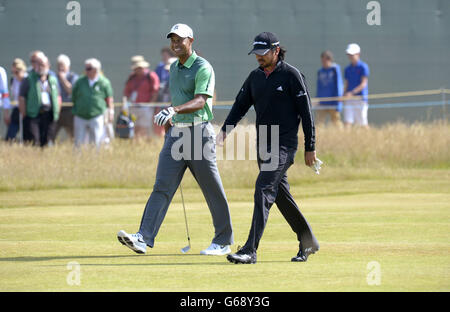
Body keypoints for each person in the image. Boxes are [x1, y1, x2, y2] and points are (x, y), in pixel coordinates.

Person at [117, 23, 234, 256]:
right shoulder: (174, 68)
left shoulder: (203, 67)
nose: (175, 44)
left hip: (198, 133)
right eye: (172, 40)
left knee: (211, 188)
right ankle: (143, 237)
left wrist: (174, 110)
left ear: (191, 40)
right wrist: (171, 114)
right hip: (176, 134)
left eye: (180, 39)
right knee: (162, 186)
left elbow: (201, 100)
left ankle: (223, 241)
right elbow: (180, 99)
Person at [217, 32, 320, 264]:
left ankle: (249, 249)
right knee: (280, 195)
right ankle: (308, 240)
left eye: (263, 54)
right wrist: (224, 133)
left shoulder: (292, 75)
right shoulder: (254, 77)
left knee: (263, 188)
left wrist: (310, 146)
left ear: (276, 51)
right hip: (263, 144)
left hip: (284, 144)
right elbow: (239, 106)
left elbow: (307, 113)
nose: (259, 58)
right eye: (256, 54)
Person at [18, 54, 61, 147]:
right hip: (33, 114)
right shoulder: (29, 79)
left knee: (47, 141)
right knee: (34, 141)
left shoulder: (52, 80)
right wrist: (24, 114)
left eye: (43, 64)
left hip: (49, 114)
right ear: (35, 66)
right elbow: (21, 97)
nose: (41, 67)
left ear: (48, 66)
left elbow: (58, 96)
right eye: (38, 64)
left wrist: (57, 112)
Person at [71, 58, 114, 147]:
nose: (86, 71)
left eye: (89, 68)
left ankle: (94, 159)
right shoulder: (80, 81)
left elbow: (109, 98)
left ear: (96, 69)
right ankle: (77, 159)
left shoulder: (104, 82)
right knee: (78, 141)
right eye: (86, 68)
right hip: (80, 115)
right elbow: (74, 96)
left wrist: (111, 112)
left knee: (96, 140)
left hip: (97, 115)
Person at [123, 58, 160, 138]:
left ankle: (142, 143)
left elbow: (155, 91)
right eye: (136, 68)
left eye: (140, 68)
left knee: (144, 127)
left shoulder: (151, 76)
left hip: (145, 107)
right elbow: (126, 92)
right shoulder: (132, 77)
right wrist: (125, 104)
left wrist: (150, 105)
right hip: (134, 106)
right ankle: (136, 142)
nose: (138, 70)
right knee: (134, 127)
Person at [343, 43, 370, 127]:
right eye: (349, 55)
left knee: (362, 124)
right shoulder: (347, 69)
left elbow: (363, 84)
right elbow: (346, 83)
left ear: (358, 54)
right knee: (347, 122)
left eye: (352, 54)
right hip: (349, 99)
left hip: (360, 99)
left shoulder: (363, 67)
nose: (350, 56)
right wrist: (343, 94)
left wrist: (351, 93)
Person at [316, 50, 343, 127]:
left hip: (333, 101)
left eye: (324, 60)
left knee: (336, 122)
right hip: (322, 102)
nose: (323, 62)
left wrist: (338, 98)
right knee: (319, 122)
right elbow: (319, 87)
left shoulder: (335, 69)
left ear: (329, 60)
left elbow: (339, 84)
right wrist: (318, 99)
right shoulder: (320, 71)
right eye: (322, 61)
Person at [55, 54, 79, 139]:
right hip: (57, 109)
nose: (60, 68)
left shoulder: (73, 77)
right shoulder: (53, 77)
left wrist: (63, 79)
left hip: (69, 110)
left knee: (72, 135)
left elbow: (71, 91)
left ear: (68, 66)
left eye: (62, 66)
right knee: (51, 134)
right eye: (59, 65)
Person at [3, 58, 27, 141]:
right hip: (17, 109)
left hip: (27, 110)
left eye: (17, 72)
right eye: (13, 72)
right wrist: (7, 113)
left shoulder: (27, 80)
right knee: (10, 136)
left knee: (27, 136)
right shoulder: (13, 80)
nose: (15, 74)